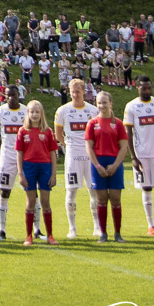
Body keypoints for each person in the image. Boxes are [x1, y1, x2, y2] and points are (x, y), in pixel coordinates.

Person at [52, 78, 98, 240]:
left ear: (84, 92)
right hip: (73, 154)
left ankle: (97, 227)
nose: (75, 95)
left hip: (90, 155)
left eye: (78, 91)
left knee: (94, 190)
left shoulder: (93, 111)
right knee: (71, 190)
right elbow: (58, 133)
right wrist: (66, 145)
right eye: (73, 92)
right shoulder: (63, 111)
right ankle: (72, 228)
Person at [123, 78, 154, 236]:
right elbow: (128, 132)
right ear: (137, 87)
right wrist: (133, 157)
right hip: (142, 155)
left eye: (149, 88)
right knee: (146, 188)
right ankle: (151, 225)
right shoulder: (131, 106)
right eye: (144, 88)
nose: (148, 91)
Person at [83, 99, 128, 242]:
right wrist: (97, 166)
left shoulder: (118, 124)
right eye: (99, 103)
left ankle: (117, 233)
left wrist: (115, 165)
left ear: (111, 103)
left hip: (115, 163)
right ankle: (103, 233)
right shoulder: (92, 123)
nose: (102, 106)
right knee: (101, 200)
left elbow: (123, 147)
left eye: (104, 103)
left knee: (115, 199)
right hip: (98, 164)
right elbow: (89, 147)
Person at [15, 101, 58, 245]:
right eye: (31, 112)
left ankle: (50, 235)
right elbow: (19, 153)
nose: (34, 115)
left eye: (37, 112)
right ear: (27, 113)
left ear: (41, 113)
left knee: (46, 202)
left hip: (45, 167)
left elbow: (52, 153)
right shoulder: (22, 131)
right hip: (29, 167)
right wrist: (20, 173)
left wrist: (53, 174)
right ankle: (29, 236)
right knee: (30, 202)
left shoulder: (48, 131)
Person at [0, 86, 28, 240]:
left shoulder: (26, 111)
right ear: (4, 97)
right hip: (7, 158)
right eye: (8, 95)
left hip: (26, 157)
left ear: (19, 95)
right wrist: (4, 150)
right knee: (4, 192)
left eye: (14, 95)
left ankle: (37, 230)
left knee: (32, 192)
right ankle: (2, 230)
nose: (11, 97)